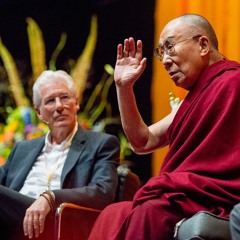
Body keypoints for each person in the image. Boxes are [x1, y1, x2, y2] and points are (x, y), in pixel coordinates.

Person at [88, 13, 240, 240]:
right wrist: (124, 87)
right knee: (113, 213)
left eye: (170, 47)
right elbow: (143, 141)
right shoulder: (190, 102)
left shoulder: (233, 82)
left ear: (203, 44)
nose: (165, 60)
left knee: (151, 210)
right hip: (187, 191)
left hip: (215, 192)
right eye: (161, 53)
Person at [0, 70, 120, 239]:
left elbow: (103, 193)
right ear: (39, 112)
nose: (59, 106)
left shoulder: (101, 144)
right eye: (50, 100)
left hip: (58, 222)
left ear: (76, 102)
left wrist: (51, 197)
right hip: (13, 222)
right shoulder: (23, 149)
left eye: (64, 97)